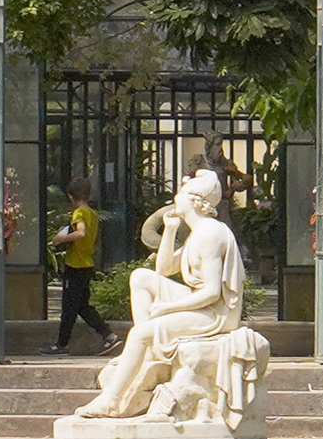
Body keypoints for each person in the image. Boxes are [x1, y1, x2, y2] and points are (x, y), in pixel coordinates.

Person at [72, 167, 247, 417]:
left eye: (182, 194)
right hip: (201, 304)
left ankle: (111, 400)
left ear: (195, 201)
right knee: (141, 277)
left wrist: (168, 308)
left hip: (214, 314)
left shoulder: (210, 234)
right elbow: (164, 269)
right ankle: (149, 349)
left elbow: (211, 292)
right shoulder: (198, 232)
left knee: (141, 332)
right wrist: (171, 230)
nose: (176, 198)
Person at [47, 188, 108, 352]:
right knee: (81, 306)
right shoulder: (93, 214)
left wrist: (60, 239)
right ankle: (108, 335)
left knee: (69, 308)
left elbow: (80, 233)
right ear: (89, 195)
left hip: (75, 264)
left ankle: (61, 344)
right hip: (87, 263)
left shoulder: (79, 213)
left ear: (71, 197)